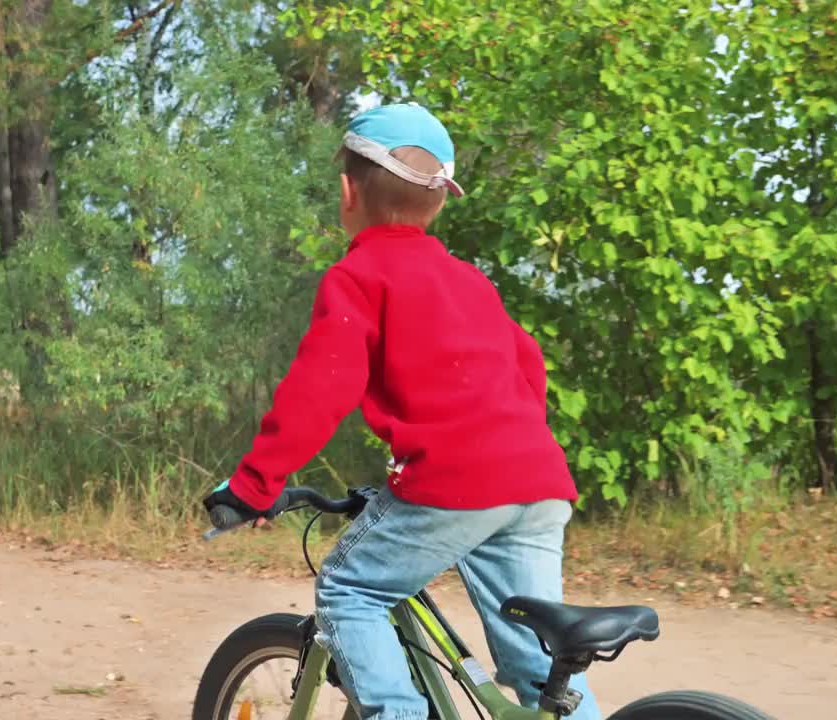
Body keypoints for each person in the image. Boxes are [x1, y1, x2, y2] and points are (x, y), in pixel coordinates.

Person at [202, 102, 599, 720]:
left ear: (346, 192)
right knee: (537, 660)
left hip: (455, 487)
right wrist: (506, 445)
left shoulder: (358, 277)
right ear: (440, 200)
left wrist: (255, 485)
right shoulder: (472, 281)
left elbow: (319, 391)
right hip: (538, 484)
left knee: (349, 588)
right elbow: (529, 367)